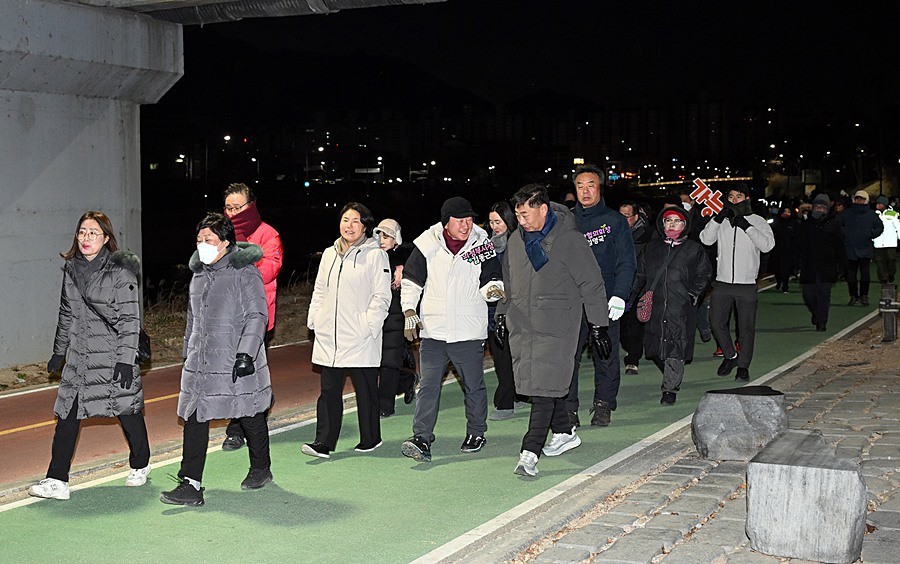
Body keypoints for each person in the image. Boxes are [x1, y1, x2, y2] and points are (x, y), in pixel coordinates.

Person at [29, 211, 150, 500]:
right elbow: (66, 313)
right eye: (82, 232)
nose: (86, 238)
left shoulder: (121, 272)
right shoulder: (71, 270)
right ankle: (57, 479)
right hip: (80, 357)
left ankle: (141, 463)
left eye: (93, 232)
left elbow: (130, 320)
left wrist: (125, 359)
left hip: (113, 354)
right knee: (67, 413)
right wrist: (59, 352)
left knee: (126, 410)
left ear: (106, 238)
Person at [495, 185, 611, 476]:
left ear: (543, 208)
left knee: (544, 386)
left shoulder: (570, 240)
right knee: (540, 385)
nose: (521, 221)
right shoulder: (515, 242)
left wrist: (598, 325)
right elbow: (507, 284)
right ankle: (565, 431)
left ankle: (529, 452)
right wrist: (501, 314)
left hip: (558, 324)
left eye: (525, 214)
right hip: (523, 324)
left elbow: (592, 284)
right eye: (518, 215)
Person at [160, 213, 273, 506]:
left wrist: (247, 353)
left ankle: (261, 467)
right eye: (198, 240)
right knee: (195, 417)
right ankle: (190, 484)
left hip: (236, 359)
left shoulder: (244, 272)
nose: (202, 245)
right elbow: (191, 319)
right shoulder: (198, 276)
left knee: (249, 412)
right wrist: (188, 352)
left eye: (207, 240)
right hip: (203, 362)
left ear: (225, 242)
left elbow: (257, 315)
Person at [400, 196, 504, 462]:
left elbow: (492, 277)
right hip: (434, 331)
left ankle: (476, 432)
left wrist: (493, 290)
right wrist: (409, 310)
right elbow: (412, 280)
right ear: (446, 222)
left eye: (470, 219)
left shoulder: (482, 245)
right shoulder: (427, 244)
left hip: (468, 331)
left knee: (473, 385)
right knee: (429, 386)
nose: (467, 225)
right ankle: (421, 438)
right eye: (460, 220)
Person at [302, 203, 391, 458]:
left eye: (355, 221)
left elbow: (382, 296)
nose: (348, 226)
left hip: (360, 335)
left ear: (365, 225)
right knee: (329, 391)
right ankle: (324, 442)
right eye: (345, 220)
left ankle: (371, 438)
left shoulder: (375, 255)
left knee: (365, 391)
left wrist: (367, 325)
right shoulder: (330, 253)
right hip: (330, 334)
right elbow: (320, 290)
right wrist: (315, 320)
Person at [567, 164, 636, 428]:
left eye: (591, 185)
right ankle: (568, 409)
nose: (585, 191)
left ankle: (603, 404)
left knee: (605, 355)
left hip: (605, 301)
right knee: (568, 357)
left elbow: (627, 262)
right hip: (572, 303)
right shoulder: (567, 221)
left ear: (600, 187)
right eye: (580, 186)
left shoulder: (615, 220)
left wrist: (619, 295)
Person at [221, 182, 283, 452]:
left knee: (245, 373)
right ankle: (257, 404)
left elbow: (270, 269)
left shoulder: (268, 234)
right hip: (225, 316)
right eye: (228, 207)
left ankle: (237, 428)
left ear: (251, 205)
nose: (232, 212)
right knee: (232, 373)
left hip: (255, 317)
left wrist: (240, 263)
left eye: (238, 207)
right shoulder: (219, 232)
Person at [631, 208, 712, 405]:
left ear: (685, 225)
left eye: (678, 221)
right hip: (656, 305)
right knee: (656, 348)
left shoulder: (694, 249)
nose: (672, 224)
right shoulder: (651, 248)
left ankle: (670, 388)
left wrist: (693, 293)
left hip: (680, 307)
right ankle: (670, 372)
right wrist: (629, 296)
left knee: (676, 346)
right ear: (662, 224)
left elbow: (705, 273)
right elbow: (639, 274)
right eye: (668, 220)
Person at [700, 183, 775, 382]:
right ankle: (731, 356)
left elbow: (767, 245)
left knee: (746, 328)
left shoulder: (757, 221)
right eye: (731, 197)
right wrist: (717, 219)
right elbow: (705, 240)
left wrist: (747, 227)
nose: (734, 200)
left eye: (739, 196)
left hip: (747, 283)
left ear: (747, 198)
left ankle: (743, 366)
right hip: (722, 282)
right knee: (716, 323)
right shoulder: (721, 221)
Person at [485, 201, 528, 420]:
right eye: (491, 222)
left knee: (512, 356)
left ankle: (506, 402)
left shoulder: (519, 242)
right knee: (502, 356)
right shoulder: (486, 246)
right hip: (492, 310)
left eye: (498, 221)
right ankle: (516, 396)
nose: (494, 226)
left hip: (515, 308)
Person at [373, 218, 418, 418]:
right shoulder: (373, 257)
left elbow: (416, 283)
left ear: (396, 239)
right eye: (380, 235)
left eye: (387, 236)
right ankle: (407, 380)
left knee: (389, 361)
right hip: (376, 315)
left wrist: (404, 270)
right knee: (377, 361)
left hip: (397, 314)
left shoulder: (405, 259)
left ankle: (385, 405)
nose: (383, 240)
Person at [797, 194, 846, 331]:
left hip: (827, 265)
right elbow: (799, 245)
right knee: (808, 295)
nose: (819, 209)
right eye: (817, 207)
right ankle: (816, 312)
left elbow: (839, 246)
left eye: (822, 207)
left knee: (824, 294)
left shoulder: (833, 224)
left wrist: (843, 266)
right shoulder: (806, 224)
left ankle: (822, 321)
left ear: (827, 208)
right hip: (809, 264)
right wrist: (795, 264)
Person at [618, 201, 653, 375]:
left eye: (627, 216)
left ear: (636, 217)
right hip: (618, 285)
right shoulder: (614, 233)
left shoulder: (646, 236)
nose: (623, 219)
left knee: (634, 324)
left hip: (638, 286)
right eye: (620, 215)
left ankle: (633, 359)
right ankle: (630, 348)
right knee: (622, 325)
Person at [838, 190, 883, 306]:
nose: (859, 200)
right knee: (851, 275)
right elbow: (838, 225)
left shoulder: (871, 214)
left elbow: (879, 227)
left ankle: (864, 296)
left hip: (865, 248)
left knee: (865, 274)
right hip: (850, 248)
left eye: (861, 199)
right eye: (857, 198)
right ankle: (853, 296)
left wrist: (870, 234)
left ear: (866, 200)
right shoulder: (847, 213)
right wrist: (846, 233)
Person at [770, 206, 799, 293]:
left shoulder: (794, 223)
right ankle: (779, 282)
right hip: (777, 249)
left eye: (788, 212)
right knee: (777, 269)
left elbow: (797, 236)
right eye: (784, 211)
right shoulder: (776, 222)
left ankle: (785, 286)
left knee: (786, 269)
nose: (786, 214)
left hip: (789, 250)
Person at [873, 196, 899, 285]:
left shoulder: (893, 214)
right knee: (880, 261)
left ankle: (891, 274)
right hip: (878, 242)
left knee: (891, 260)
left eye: (880, 203)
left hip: (890, 242)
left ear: (884, 204)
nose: (878, 205)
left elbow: (898, 227)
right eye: (877, 203)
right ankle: (884, 278)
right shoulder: (874, 214)